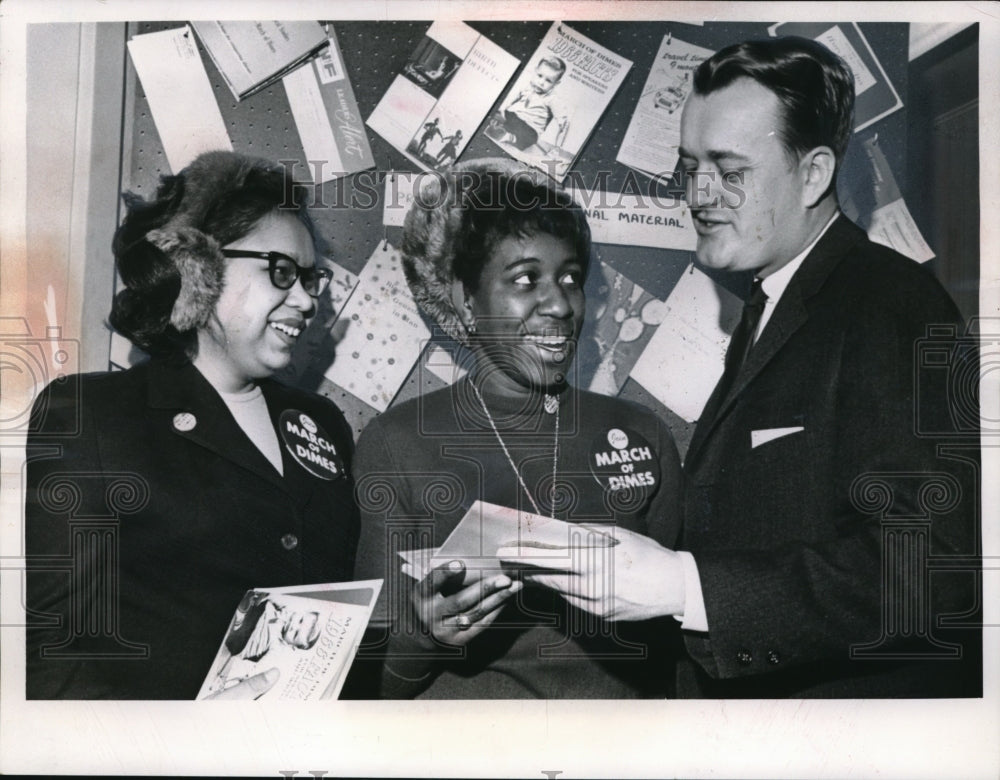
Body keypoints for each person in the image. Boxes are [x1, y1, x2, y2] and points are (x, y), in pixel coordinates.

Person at [501, 37, 980, 698]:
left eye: (729, 171)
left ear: (813, 175)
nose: (698, 194)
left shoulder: (889, 303)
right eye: (689, 166)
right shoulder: (772, 306)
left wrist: (681, 586)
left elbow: (932, 565)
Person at [25, 150, 360, 699]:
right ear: (199, 269)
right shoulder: (90, 416)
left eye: (310, 278)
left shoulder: (321, 424)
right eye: (281, 271)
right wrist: (176, 742)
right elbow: (46, 658)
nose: (305, 301)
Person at [348, 158, 683, 699]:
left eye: (570, 278)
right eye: (526, 279)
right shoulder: (398, 444)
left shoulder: (641, 433)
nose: (559, 304)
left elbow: (676, 645)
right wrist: (425, 635)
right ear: (464, 300)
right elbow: (375, 688)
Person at [488, 56, 570, 151]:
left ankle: (508, 137)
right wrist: (502, 110)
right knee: (500, 112)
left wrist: (558, 147)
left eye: (548, 81)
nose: (541, 82)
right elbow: (511, 99)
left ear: (556, 83)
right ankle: (496, 125)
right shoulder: (527, 87)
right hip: (515, 118)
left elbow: (563, 123)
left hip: (530, 128)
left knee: (530, 138)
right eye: (539, 76)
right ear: (535, 71)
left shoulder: (553, 99)